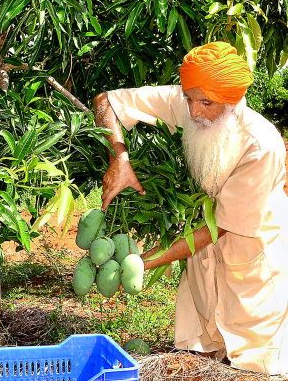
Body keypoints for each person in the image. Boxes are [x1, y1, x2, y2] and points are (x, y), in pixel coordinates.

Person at [93, 42, 288, 375]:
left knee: (255, 363)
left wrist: (143, 262)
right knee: (206, 350)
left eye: (206, 103)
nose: (194, 112)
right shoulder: (188, 101)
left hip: (253, 250)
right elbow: (106, 102)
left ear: (232, 101)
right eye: (189, 99)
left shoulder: (260, 145)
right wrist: (119, 158)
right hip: (205, 248)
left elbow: (222, 227)